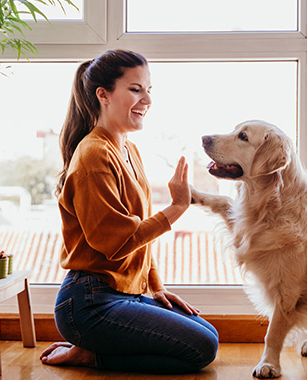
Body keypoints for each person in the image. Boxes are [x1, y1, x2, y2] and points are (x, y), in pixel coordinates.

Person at [40, 49, 219, 373]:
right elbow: (116, 242)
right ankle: (91, 354)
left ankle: (94, 349)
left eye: (149, 90)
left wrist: (156, 286)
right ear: (103, 95)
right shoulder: (93, 156)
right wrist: (177, 207)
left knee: (209, 334)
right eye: (135, 89)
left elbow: (138, 236)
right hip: (88, 302)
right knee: (202, 348)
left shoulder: (128, 149)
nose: (146, 99)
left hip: (125, 293)